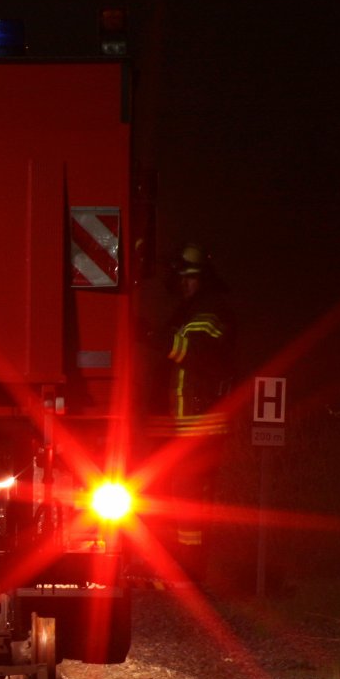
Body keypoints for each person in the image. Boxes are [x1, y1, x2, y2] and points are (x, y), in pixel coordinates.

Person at [146, 242, 235, 583]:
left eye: (191, 278)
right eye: (181, 278)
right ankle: (170, 573)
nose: (184, 284)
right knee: (171, 502)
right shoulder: (185, 313)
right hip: (180, 427)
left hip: (200, 427)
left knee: (188, 507)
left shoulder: (210, 313)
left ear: (204, 280)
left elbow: (193, 352)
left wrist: (154, 336)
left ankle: (188, 574)